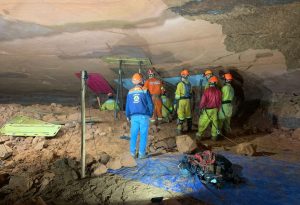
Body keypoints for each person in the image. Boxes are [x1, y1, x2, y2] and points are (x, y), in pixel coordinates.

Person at [126, 73, 153, 159]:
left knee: (133, 135)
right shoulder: (145, 90)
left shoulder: (130, 92)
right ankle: (141, 154)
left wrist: (128, 115)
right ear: (142, 81)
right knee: (143, 135)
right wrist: (151, 113)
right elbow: (150, 104)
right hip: (144, 116)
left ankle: (132, 154)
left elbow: (127, 105)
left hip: (133, 117)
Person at [196, 76, 222, 141]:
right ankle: (214, 137)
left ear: (209, 83)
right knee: (215, 123)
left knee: (202, 122)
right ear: (216, 83)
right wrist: (218, 109)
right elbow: (219, 102)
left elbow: (203, 101)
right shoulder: (219, 91)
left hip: (208, 110)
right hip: (215, 110)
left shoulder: (207, 91)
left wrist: (200, 108)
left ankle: (199, 136)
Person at [175, 69, 193, 134]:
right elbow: (190, 93)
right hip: (188, 101)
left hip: (181, 101)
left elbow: (177, 96)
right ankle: (189, 129)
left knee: (181, 114)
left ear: (182, 76)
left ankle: (179, 130)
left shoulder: (180, 84)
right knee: (188, 114)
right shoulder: (189, 84)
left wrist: (175, 103)